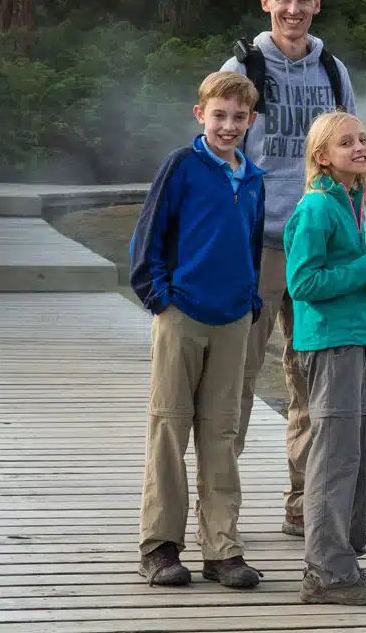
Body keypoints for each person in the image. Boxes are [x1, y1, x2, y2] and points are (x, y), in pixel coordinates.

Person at [221, 0, 359, 537]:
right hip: (256, 246)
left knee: (310, 380)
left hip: (316, 246)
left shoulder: (332, 71)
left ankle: (305, 507)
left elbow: (350, 154)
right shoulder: (243, 68)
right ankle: (220, 514)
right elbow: (218, 152)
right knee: (236, 379)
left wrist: (355, 237)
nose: (293, 9)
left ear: (317, 5)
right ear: (266, 2)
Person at [128, 72, 266, 589]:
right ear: (200, 114)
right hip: (182, 313)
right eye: (219, 115)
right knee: (170, 428)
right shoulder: (182, 166)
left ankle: (222, 549)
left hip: (233, 319)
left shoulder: (253, 179)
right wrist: (159, 298)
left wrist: (251, 301)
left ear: (251, 121)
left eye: (238, 118)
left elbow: (251, 245)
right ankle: (159, 546)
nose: (228, 126)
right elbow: (148, 237)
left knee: (221, 434)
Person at [285, 111, 366, 605]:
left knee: (355, 452)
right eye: (346, 142)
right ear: (322, 156)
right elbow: (302, 283)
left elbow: (349, 269)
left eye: (363, 139)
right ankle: (326, 574)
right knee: (333, 458)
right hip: (329, 344)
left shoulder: (348, 202)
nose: (360, 147)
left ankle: (341, 560)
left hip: (350, 339)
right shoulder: (317, 207)